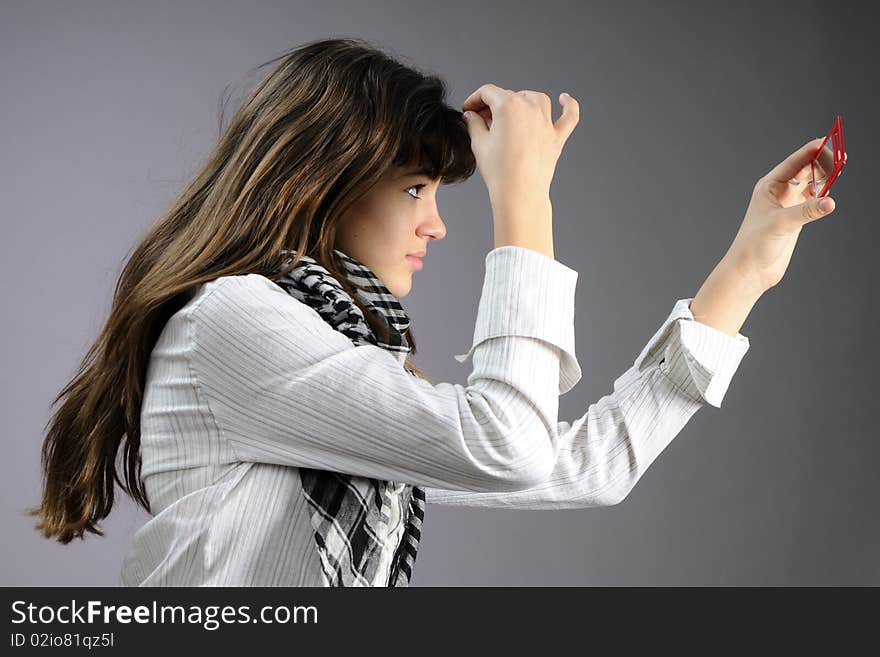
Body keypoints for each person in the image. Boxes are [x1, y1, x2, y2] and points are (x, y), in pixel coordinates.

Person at [27, 37, 837, 586]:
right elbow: (507, 444)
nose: (436, 222)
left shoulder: (320, 349)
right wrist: (524, 198)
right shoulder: (234, 322)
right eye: (415, 187)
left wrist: (748, 267)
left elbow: (586, 467)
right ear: (324, 180)